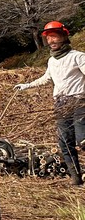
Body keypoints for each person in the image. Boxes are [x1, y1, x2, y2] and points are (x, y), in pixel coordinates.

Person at [15, 21, 85, 185]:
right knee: (64, 142)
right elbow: (47, 78)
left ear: (64, 37)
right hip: (61, 104)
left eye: (55, 36)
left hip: (80, 101)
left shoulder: (78, 57)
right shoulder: (52, 61)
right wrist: (26, 86)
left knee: (83, 140)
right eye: (48, 37)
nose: (51, 41)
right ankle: (76, 179)